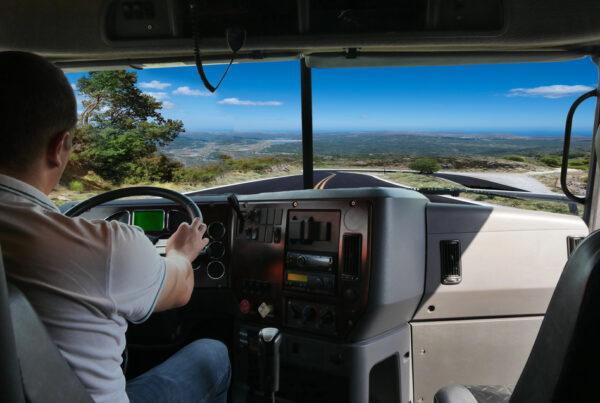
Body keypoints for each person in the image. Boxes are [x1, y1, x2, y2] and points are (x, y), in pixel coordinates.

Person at [0, 51, 231, 403]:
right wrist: (180, 252)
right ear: (59, 147)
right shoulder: (108, 246)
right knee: (213, 354)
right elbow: (182, 288)